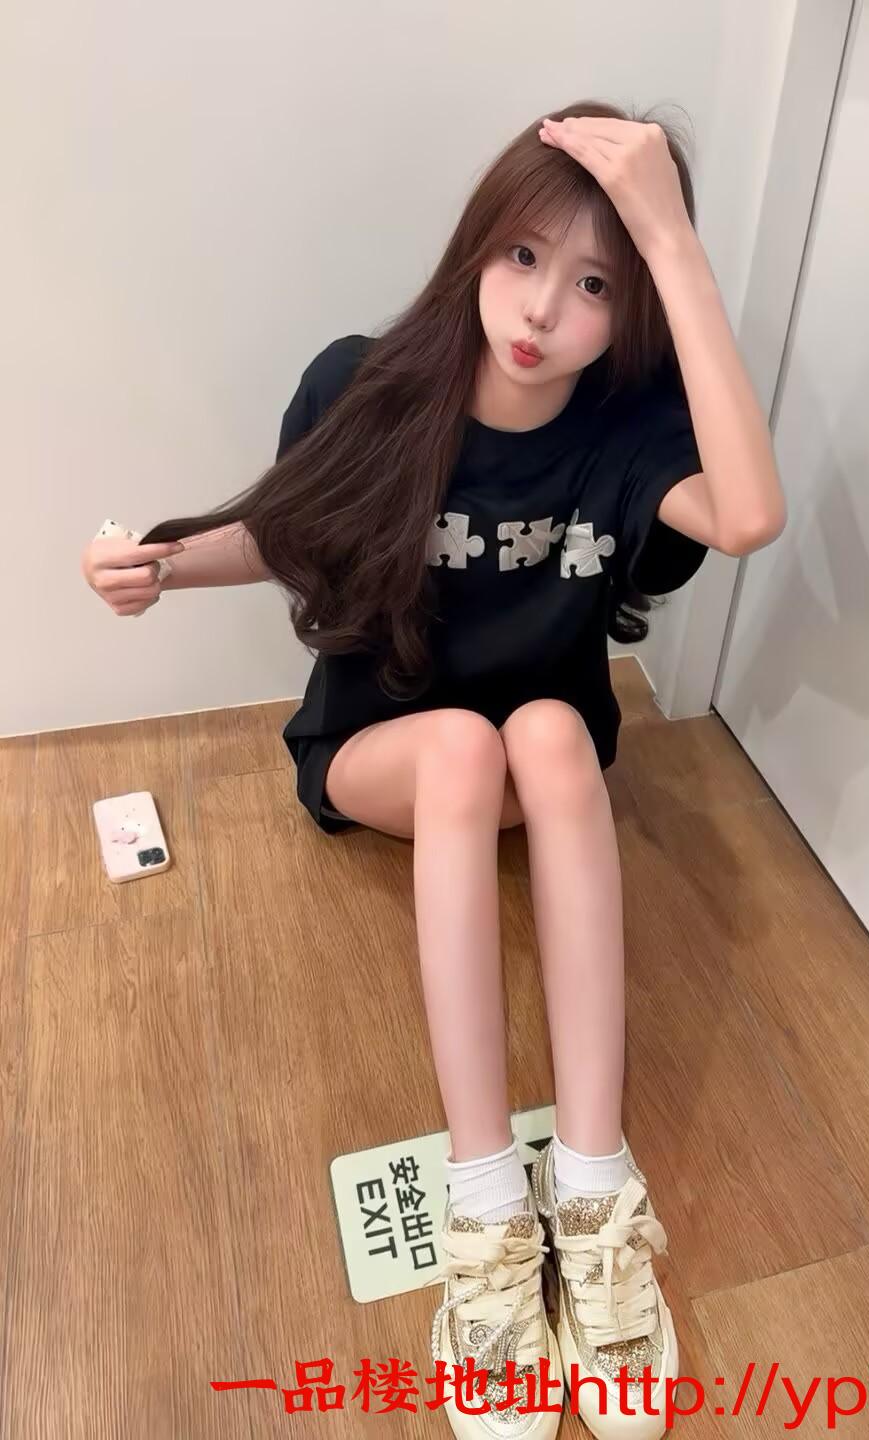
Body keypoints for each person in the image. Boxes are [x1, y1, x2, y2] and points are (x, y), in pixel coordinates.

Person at [81, 100, 784, 1439]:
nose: (542, 311)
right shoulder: (367, 382)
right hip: (385, 755)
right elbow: (288, 533)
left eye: (596, 286)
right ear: (477, 246)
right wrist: (160, 567)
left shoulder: (631, 431)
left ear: (633, 307)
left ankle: (594, 1189)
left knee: (553, 728)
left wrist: (674, 240)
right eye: (522, 256)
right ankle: (484, 1204)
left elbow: (748, 515)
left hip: (536, 771)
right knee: (466, 741)